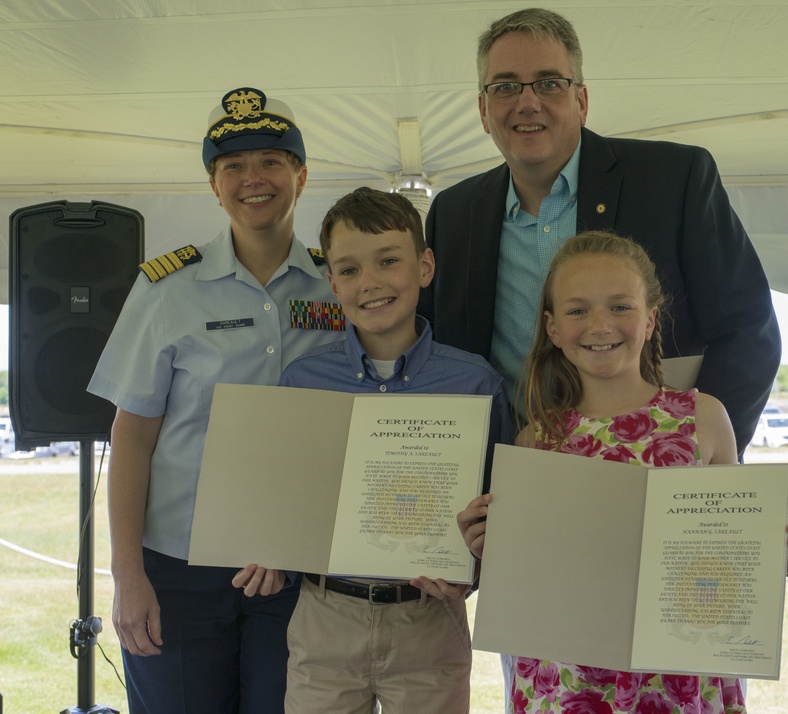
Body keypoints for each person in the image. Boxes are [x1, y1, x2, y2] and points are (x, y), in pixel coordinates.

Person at [458, 231, 788, 713]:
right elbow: (527, 578)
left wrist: (777, 553)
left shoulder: (704, 419)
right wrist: (486, 547)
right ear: (551, 327)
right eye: (577, 310)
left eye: (620, 307)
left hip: (672, 680)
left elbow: (727, 551)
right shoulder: (537, 440)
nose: (599, 324)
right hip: (563, 683)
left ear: (651, 318)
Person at [418, 7, 780, 457]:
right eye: (505, 86)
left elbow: (748, 331)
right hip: (511, 475)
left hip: (653, 471)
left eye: (550, 83)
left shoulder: (673, 180)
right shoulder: (453, 213)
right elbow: (435, 351)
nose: (527, 102)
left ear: (582, 101)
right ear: (483, 109)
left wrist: (699, 453)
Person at [87, 87, 346, 712]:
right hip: (177, 568)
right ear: (213, 184)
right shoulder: (165, 290)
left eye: (271, 161)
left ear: (301, 175)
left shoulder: (338, 285)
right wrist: (128, 576)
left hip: (294, 568)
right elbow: (132, 436)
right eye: (233, 166)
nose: (252, 179)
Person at [234, 187, 513, 713]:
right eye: (350, 269)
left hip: (429, 616)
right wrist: (269, 552)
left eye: (389, 261)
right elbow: (283, 495)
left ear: (425, 266)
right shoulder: (303, 381)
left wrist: (473, 564)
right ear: (332, 282)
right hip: (325, 616)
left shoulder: (475, 382)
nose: (372, 283)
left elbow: (503, 508)